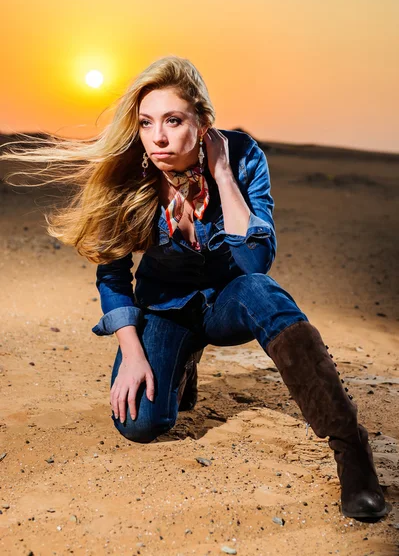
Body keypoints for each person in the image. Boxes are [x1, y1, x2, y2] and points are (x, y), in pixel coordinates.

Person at [0, 55, 387, 521]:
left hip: (229, 301)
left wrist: (223, 175)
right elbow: (112, 275)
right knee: (140, 424)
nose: (158, 137)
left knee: (262, 290)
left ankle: (351, 448)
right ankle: (180, 365)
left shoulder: (242, 156)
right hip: (164, 308)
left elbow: (255, 259)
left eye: (173, 120)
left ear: (202, 123)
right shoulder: (130, 174)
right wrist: (134, 353)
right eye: (146, 123)